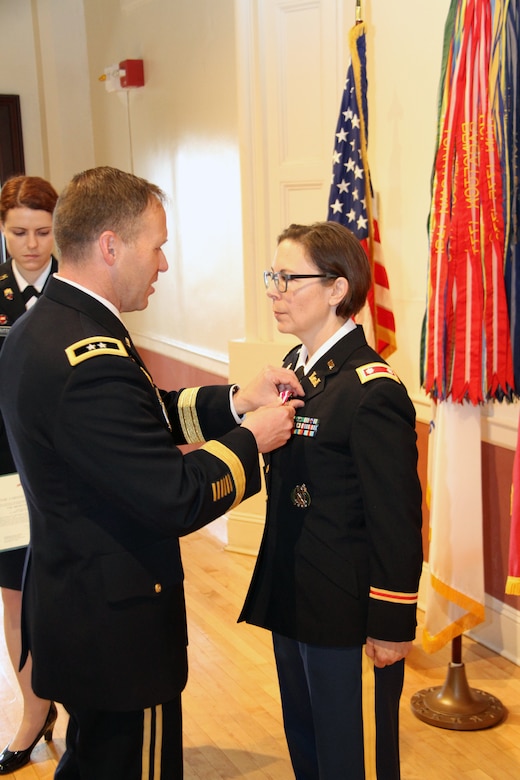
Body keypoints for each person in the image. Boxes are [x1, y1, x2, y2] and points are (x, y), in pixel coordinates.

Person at [0, 166, 304, 780]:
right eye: (157, 246)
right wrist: (254, 441)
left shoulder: (56, 325)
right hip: (118, 631)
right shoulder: (87, 355)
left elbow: (148, 415)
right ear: (111, 247)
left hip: (80, 608)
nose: (163, 264)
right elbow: (174, 497)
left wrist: (235, 401)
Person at [239, 221, 423, 780]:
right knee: (306, 740)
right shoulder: (295, 370)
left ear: (338, 289)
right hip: (294, 590)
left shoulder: (372, 390)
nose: (273, 289)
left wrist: (392, 620)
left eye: (287, 277)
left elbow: (395, 518)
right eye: (272, 276)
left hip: (343, 606)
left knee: (346, 752)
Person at [0, 175, 60, 774]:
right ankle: (32, 711)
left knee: (71, 590)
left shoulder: (77, 289)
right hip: (4, 473)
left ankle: (83, 699)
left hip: (65, 469)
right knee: (14, 597)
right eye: (19, 232)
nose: (32, 245)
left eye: (44, 231)